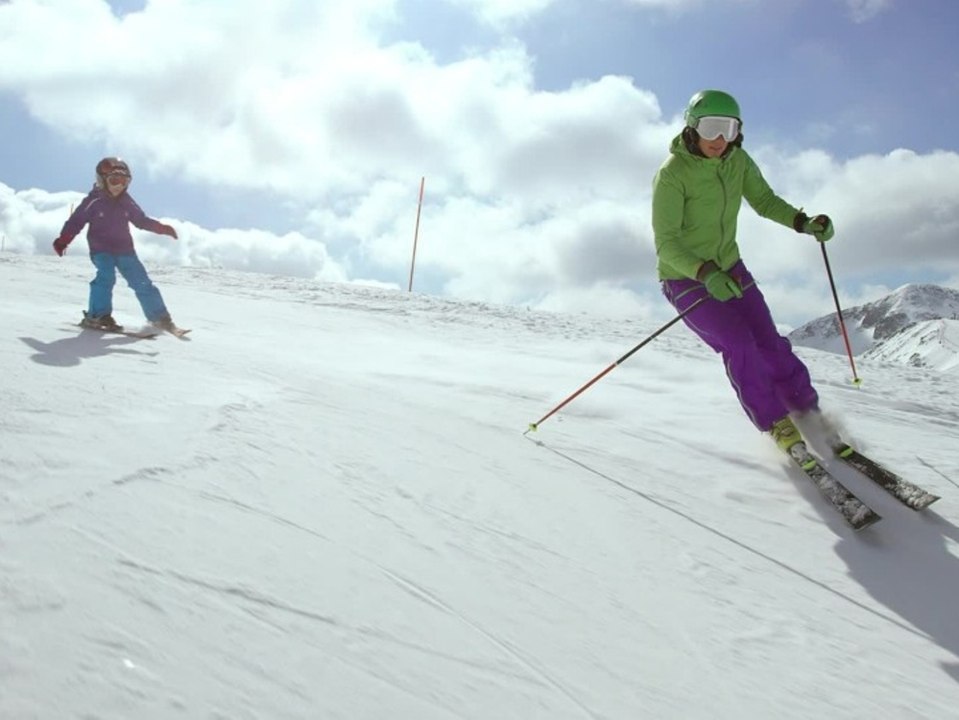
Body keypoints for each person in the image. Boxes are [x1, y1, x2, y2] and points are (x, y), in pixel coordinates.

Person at [651, 90, 834, 455]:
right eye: (711, 128)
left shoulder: (738, 161)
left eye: (729, 129)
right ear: (692, 128)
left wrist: (803, 222)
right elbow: (666, 243)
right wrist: (705, 273)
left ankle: (806, 410)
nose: (720, 139)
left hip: (729, 266)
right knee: (739, 343)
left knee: (770, 342)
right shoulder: (672, 176)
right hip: (684, 276)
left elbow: (764, 201)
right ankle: (775, 421)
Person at [53, 156, 180, 332]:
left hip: (125, 250)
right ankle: (98, 316)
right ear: (102, 181)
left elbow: (140, 220)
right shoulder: (93, 201)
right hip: (101, 249)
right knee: (106, 277)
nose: (119, 186)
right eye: (114, 181)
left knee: (141, 281)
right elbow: (76, 221)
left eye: (123, 181)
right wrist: (63, 240)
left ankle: (159, 318)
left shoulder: (126, 201)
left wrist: (161, 228)